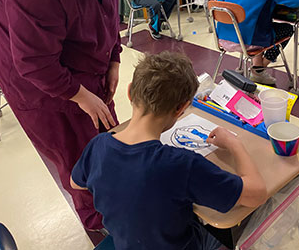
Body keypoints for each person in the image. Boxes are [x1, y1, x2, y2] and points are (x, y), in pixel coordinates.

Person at [0, 0, 150, 233]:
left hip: (84, 68)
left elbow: (106, 9)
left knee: (107, 141)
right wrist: (78, 95)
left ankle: (118, 200)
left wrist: (114, 58)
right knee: (78, 156)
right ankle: (103, 226)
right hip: (41, 83)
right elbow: (34, 60)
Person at [71, 51, 267, 249]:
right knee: (237, 221)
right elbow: (257, 195)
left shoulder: (99, 145)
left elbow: (76, 182)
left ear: (130, 92)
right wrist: (235, 144)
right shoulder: (181, 164)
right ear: (181, 108)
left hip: (126, 243)